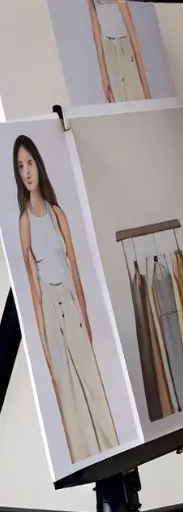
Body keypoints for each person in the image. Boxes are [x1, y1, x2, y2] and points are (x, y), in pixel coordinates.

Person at [14, 136, 118, 464]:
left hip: (69, 300)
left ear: (39, 165)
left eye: (30, 163)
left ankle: (112, 451)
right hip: (48, 304)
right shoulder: (24, 222)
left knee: (91, 381)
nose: (26, 171)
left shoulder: (57, 214)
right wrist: (43, 341)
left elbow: (74, 265)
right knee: (67, 392)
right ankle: (84, 460)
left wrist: (84, 314)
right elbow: (32, 285)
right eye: (20, 166)